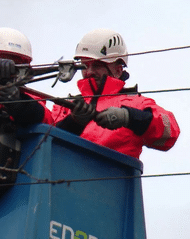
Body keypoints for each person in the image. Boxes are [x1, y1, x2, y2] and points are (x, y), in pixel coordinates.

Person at [52, 29, 180, 159]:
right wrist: (73, 122)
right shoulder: (66, 107)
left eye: (97, 65)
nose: (89, 71)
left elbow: (169, 133)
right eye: (85, 66)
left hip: (114, 177)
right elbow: (44, 144)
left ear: (118, 70)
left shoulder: (137, 103)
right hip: (67, 177)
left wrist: (129, 117)